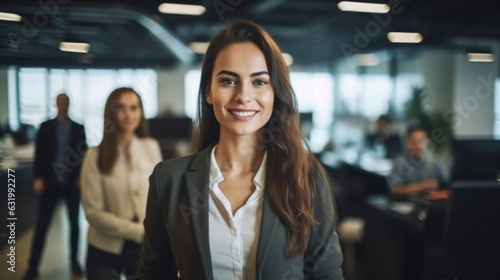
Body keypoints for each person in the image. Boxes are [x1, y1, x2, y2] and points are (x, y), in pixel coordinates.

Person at [136, 19, 344, 279]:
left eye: (259, 82)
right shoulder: (168, 180)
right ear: (208, 92)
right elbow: (154, 273)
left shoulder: (306, 176)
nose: (243, 96)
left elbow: (325, 274)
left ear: (275, 92)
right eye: (228, 81)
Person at [80, 87, 162, 279]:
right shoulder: (94, 156)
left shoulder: (151, 147)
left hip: (145, 247)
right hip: (104, 248)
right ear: (111, 112)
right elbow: (94, 213)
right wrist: (138, 232)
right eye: (121, 108)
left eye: (134, 107)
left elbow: (160, 198)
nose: (128, 114)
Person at [23, 93, 87, 280]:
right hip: (50, 183)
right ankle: (32, 267)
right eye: (59, 101)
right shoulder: (45, 127)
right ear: (56, 104)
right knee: (42, 226)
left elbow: (83, 153)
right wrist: (38, 177)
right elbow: (38, 154)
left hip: (71, 183)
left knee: (74, 224)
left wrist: (81, 175)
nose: (62, 104)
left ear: (69, 104)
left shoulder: (78, 128)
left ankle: (74, 262)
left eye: (65, 101)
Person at [387, 124, 448, 199]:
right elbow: (394, 190)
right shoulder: (399, 163)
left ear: (426, 142)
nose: (417, 145)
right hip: (406, 205)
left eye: (420, 141)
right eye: (413, 141)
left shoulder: (435, 163)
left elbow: (448, 186)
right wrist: (421, 187)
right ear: (407, 143)